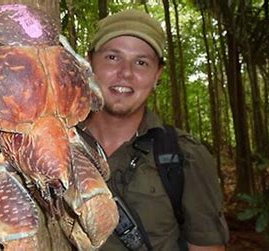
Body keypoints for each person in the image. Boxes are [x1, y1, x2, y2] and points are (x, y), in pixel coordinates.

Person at [78, 9, 229, 250]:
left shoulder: (185, 156)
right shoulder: (55, 143)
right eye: (112, 57)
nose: (126, 72)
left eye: (141, 62)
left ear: (157, 74)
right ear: (88, 62)